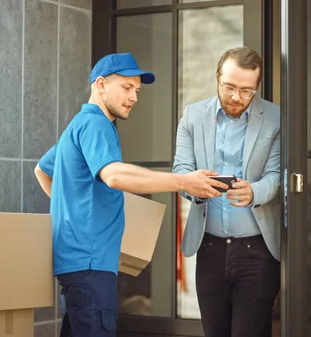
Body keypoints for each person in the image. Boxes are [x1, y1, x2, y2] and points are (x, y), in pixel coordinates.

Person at [34, 52, 228, 337]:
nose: (134, 97)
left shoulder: (76, 126)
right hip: (91, 264)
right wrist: (184, 181)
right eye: (126, 87)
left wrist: (74, 212)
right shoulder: (96, 124)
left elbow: (42, 170)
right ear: (100, 84)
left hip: (78, 264)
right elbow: (113, 175)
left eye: (136, 90)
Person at [172, 46, 281, 337]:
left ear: (256, 86)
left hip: (257, 252)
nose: (236, 97)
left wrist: (254, 192)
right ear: (217, 77)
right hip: (209, 249)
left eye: (247, 91)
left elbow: (276, 176)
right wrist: (196, 187)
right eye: (229, 87)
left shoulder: (275, 118)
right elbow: (180, 170)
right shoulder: (193, 116)